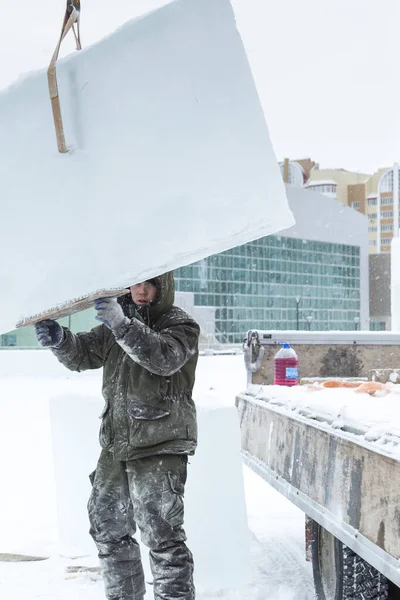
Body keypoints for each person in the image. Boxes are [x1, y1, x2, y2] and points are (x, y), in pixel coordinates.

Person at [35, 272, 200, 600]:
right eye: (135, 283)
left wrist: (122, 325)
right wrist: (60, 340)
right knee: (107, 527)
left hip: (159, 444)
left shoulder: (179, 324)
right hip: (116, 445)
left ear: (162, 287)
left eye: (149, 283)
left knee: (162, 537)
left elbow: (163, 358)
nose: (141, 290)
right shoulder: (116, 323)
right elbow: (83, 353)